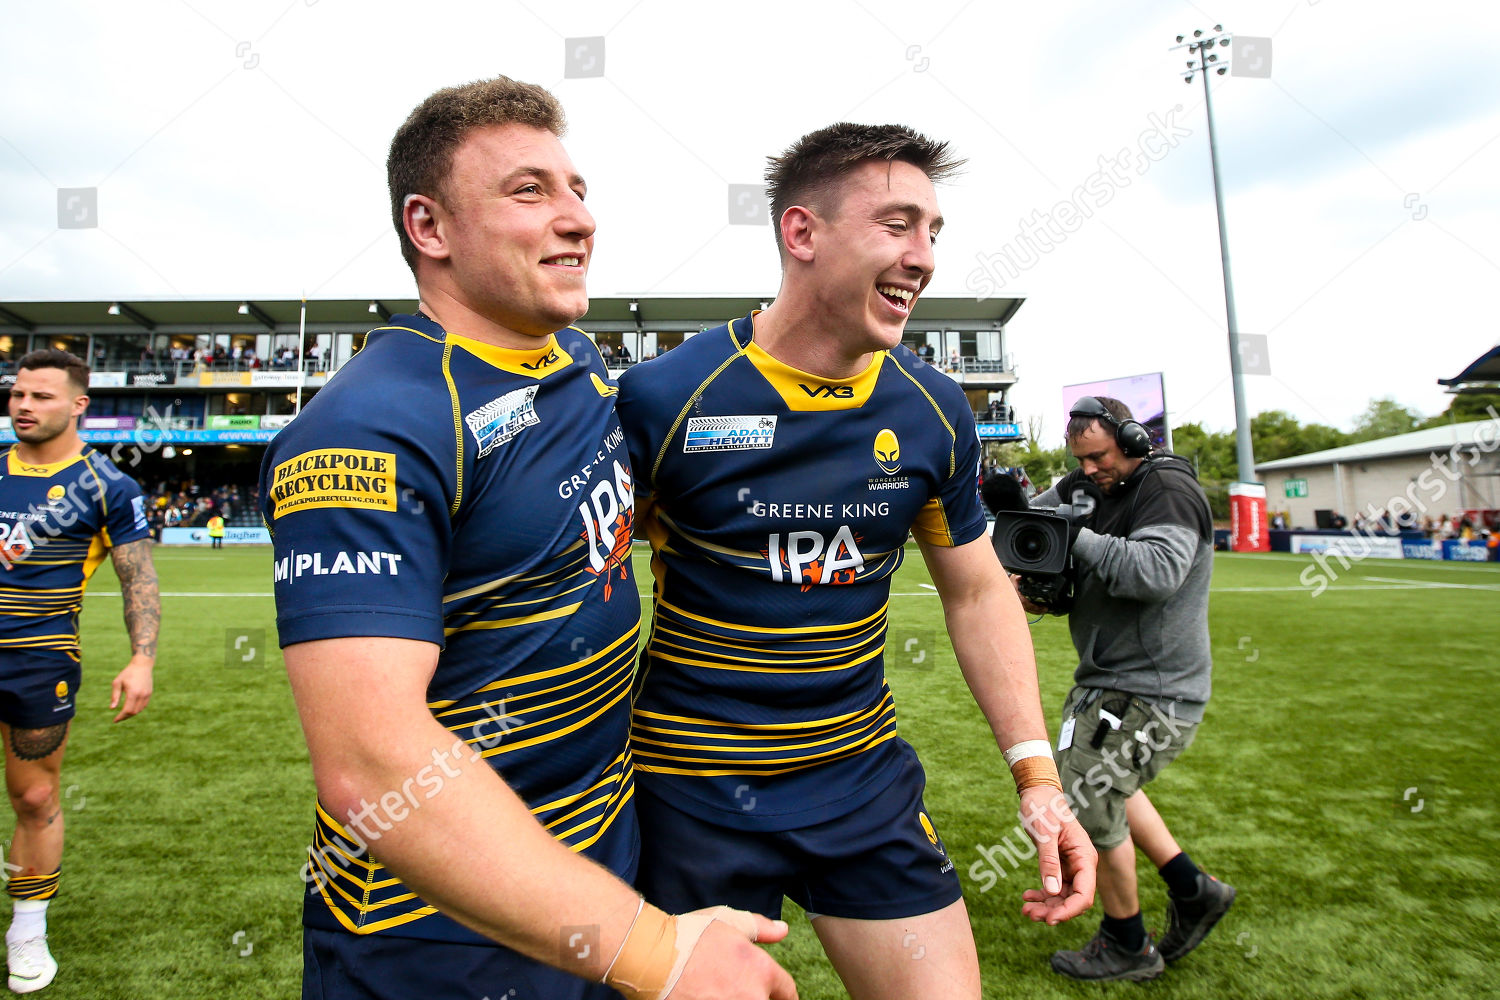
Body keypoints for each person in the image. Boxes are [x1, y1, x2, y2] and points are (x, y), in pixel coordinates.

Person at [258, 76, 795, 1000]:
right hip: (434, 928)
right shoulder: (367, 429)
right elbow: (371, 762)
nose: (579, 217)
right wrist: (657, 954)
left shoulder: (576, 363)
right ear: (429, 228)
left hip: (599, 863)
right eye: (530, 190)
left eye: (578, 189)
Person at [616, 123, 1096, 1000]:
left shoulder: (933, 408)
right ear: (802, 234)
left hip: (858, 777)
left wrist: (1037, 778)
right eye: (898, 225)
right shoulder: (664, 398)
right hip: (689, 786)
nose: (924, 258)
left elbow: (981, 590)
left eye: (935, 233)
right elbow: (589, 592)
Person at [1016, 396, 1232, 982]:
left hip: (1153, 690)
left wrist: (1070, 535)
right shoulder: (1089, 485)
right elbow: (1029, 529)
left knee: (1087, 791)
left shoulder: (1168, 488)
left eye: (1099, 456)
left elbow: (1156, 573)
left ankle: (1127, 945)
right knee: (1109, 781)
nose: (1089, 470)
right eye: (1081, 460)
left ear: (1135, 441)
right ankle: (1193, 891)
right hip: (1114, 680)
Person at [0, 349, 159, 993]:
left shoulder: (107, 486)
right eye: (17, 395)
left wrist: (142, 658)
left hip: (40, 658)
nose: (23, 406)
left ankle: (27, 933)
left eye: (40, 396)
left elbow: (138, 579)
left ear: (77, 405)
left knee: (35, 796)